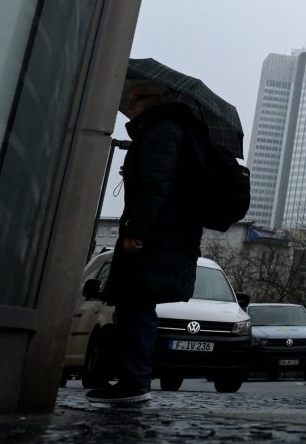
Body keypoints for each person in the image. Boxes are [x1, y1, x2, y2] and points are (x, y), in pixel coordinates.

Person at [87, 83, 205, 404]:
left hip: (153, 239)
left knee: (136, 306)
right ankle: (130, 378)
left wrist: (136, 229)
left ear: (154, 101)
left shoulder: (161, 132)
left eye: (136, 99)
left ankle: (134, 381)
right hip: (161, 237)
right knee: (133, 306)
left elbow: (157, 184)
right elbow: (157, 179)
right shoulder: (162, 132)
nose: (130, 103)